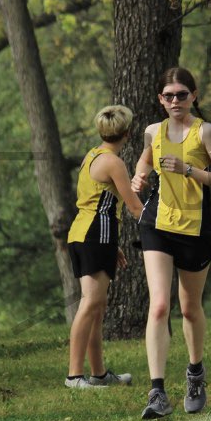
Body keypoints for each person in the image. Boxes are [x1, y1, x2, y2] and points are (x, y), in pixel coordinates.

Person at [131, 68, 211, 419]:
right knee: (159, 306)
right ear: (160, 99)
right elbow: (146, 156)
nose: (175, 101)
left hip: (194, 227)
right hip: (157, 222)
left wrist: (188, 170)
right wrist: (139, 174)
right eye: (169, 95)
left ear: (194, 96)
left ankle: (195, 373)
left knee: (189, 308)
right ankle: (157, 391)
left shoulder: (206, 131)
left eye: (181, 95)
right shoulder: (152, 131)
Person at [66, 105, 145, 388]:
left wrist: (113, 246)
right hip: (95, 236)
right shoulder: (114, 163)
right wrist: (166, 226)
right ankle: (74, 376)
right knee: (90, 304)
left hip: (85, 234)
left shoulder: (92, 155)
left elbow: (97, 202)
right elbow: (135, 206)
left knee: (97, 307)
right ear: (128, 132)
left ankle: (99, 375)